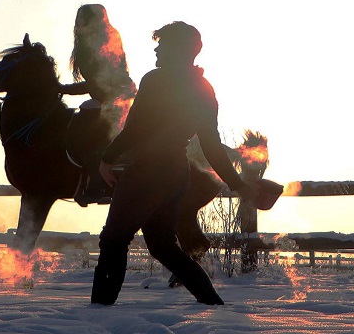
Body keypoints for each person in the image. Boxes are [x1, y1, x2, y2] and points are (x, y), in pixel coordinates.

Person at [90, 21, 257, 306]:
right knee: (163, 246)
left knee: (114, 240)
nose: (157, 49)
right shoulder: (205, 88)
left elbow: (135, 129)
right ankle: (212, 302)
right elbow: (211, 144)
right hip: (177, 173)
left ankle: (100, 310)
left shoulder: (155, 79)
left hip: (146, 170)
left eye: (163, 44)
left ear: (178, 50)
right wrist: (238, 183)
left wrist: (106, 157)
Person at [59, 4, 136, 205]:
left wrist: (64, 89)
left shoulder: (96, 42)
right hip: (110, 93)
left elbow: (100, 80)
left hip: (112, 95)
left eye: (83, 18)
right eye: (79, 18)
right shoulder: (96, 40)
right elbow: (97, 81)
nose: (79, 23)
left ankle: (99, 183)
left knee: (85, 128)